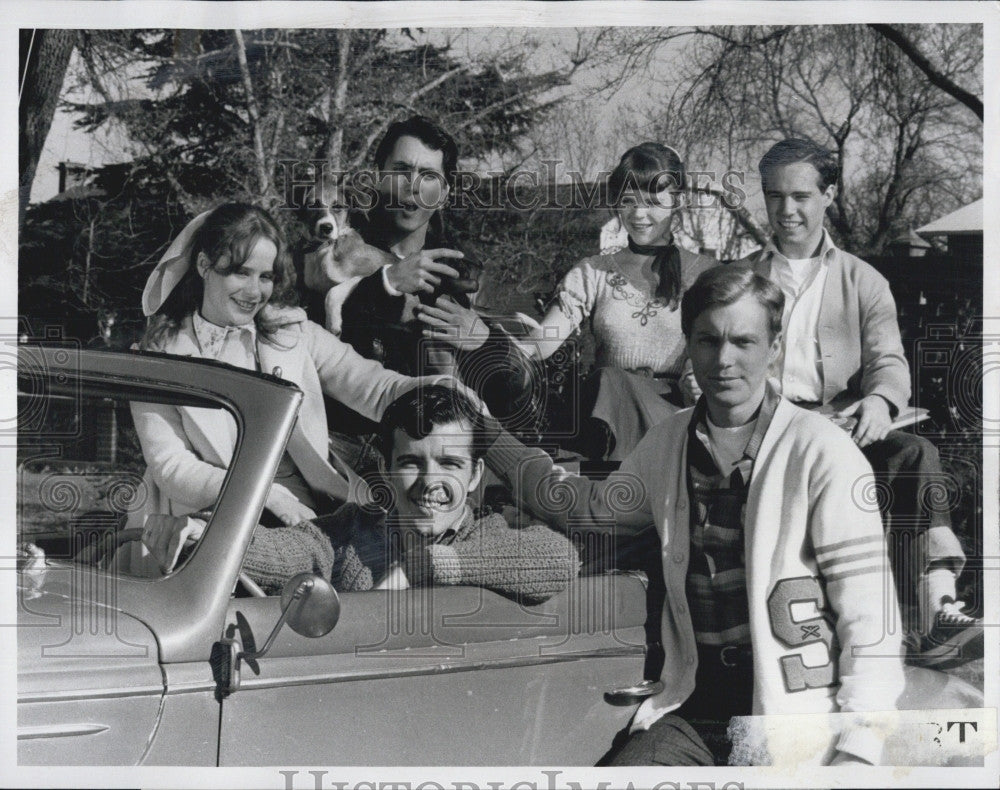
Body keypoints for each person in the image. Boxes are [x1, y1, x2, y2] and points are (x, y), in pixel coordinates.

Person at [479, 266, 908, 765]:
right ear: (689, 345)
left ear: (774, 350)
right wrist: (489, 437)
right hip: (696, 705)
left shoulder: (822, 451)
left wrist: (859, 747)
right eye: (708, 340)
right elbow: (587, 508)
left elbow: (870, 618)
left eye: (743, 341)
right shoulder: (668, 442)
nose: (724, 359)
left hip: (796, 716)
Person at [738, 138, 980, 666]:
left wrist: (879, 402)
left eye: (801, 195)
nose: (786, 211)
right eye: (774, 196)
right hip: (766, 431)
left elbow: (889, 361)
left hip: (839, 427)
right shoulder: (740, 280)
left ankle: (932, 612)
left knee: (913, 455)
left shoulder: (863, 279)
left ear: (830, 194)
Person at [122, 203, 452, 574]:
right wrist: (269, 496)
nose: (254, 291)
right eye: (240, 272)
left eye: (265, 276)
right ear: (203, 266)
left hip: (315, 517)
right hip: (208, 526)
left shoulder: (292, 331)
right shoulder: (158, 356)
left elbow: (373, 387)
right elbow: (172, 468)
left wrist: (444, 389)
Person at [143, 385, 580, 604]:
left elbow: (559, 558)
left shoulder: (489, 533)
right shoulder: (351, 529)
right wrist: (206, 536)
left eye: (449, 465)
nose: (430, 483)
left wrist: (426, 567)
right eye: (411, 462)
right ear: (387, 470)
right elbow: (286, 550)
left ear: (474, 475)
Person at [420, 142, 717, 461]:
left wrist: (699, 376)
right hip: (609, 416)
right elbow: (541, 343)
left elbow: (716, 343)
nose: (639, 215)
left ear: (678, 201)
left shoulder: (706, 274)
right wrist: (486, 337)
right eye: (628, 202)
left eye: (654, 202)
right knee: (606, 384)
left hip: (675, 411)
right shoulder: (594, 271)